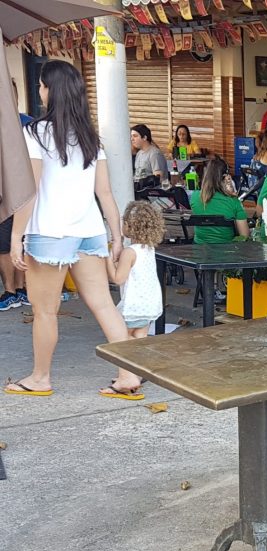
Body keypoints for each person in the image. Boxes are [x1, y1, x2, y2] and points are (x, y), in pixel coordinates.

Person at [4, 60, 144, 399]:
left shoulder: (35, 133)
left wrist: (15, 236)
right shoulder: (91, 138)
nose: (39, 90)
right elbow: (106, 194)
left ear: (51, 91)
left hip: (50, 233)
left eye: (41, 85)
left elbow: (30, 192)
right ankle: (128, 375)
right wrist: (115, 237)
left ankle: (40, 378)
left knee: (45, 312)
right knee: (103, 305)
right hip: (89, 231)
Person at [105, 201, 164, 339]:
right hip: (150, 305)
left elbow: (117, 279)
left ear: (129, 226)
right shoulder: (149, 249)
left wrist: (107, 258)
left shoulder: (129, 252)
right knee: (140, 336)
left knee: (122, 339)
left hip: (134, 307)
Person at [0, 79, 31, 311]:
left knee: (16, 241)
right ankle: (14, 289)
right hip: (5, 195)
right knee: (7, 243)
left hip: (24, 193)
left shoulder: (28, 125)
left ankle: (16, 290)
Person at [189, 157, 250, 244]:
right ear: (225, 177)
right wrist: (231, 189)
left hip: (200, 252)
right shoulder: (233, 201)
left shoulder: (195, 197)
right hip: (227, 252)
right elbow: (244, 235)